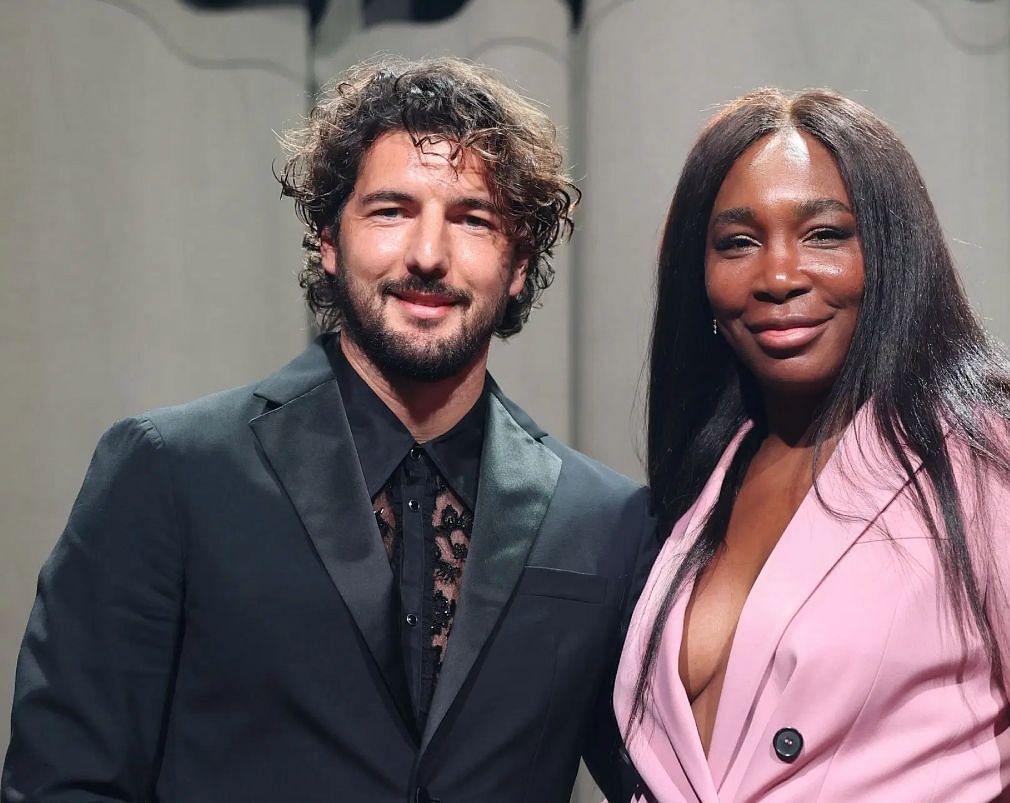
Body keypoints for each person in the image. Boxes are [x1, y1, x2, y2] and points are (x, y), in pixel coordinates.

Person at [3, 56, 654, 803]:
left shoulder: (604, 520)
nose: (428, 254)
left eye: (472, 219)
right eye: (390, 210)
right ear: (329, 239)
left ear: (518, 264)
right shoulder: (169, 473)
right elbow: (66, 780)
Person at [614, 88, 1010, 801]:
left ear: (893, 253)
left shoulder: (1005, 456)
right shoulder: (705, 482)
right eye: (739, 242)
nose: (779, 276)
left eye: (825, 234)